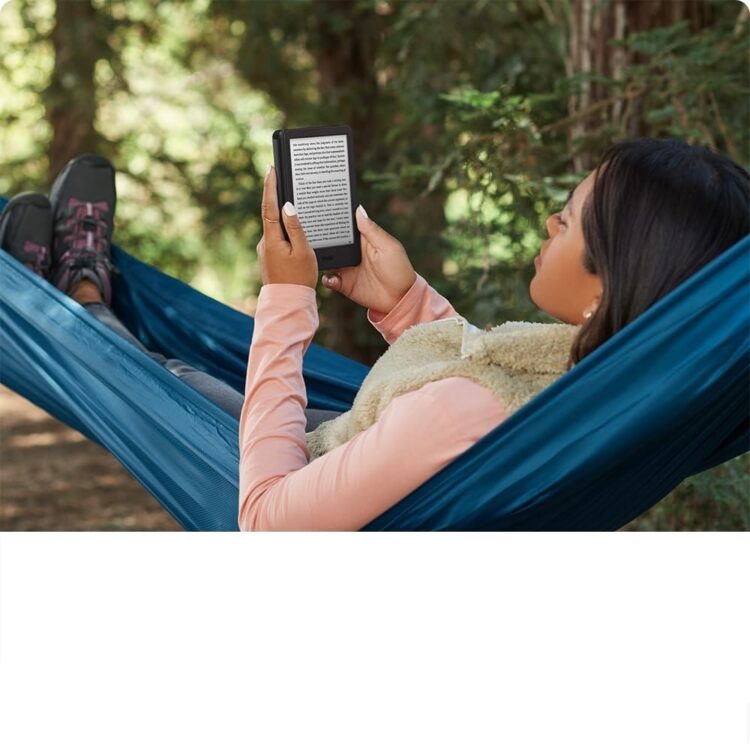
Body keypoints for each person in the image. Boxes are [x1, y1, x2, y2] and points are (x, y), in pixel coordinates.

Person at [2, 140, 749, 531]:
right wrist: (403, 299)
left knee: (164, 383)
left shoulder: (467, 411)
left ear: (613, 279)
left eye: (572, 218)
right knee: (174, 374)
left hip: (281, 487)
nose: (552, 222)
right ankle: (85, 291)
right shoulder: (598, 387)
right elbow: (487, 389)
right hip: (353, 446)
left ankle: (82, 297)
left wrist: (288, 296)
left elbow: (264, 519)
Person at [0, 154, 344, 432]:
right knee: (169, 386)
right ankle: (75, 293)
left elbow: (272, 443)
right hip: (377, 423)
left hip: (316, 452)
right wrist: (395, 307)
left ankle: (75, 297)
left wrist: (289, 292)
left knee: (165, 390)